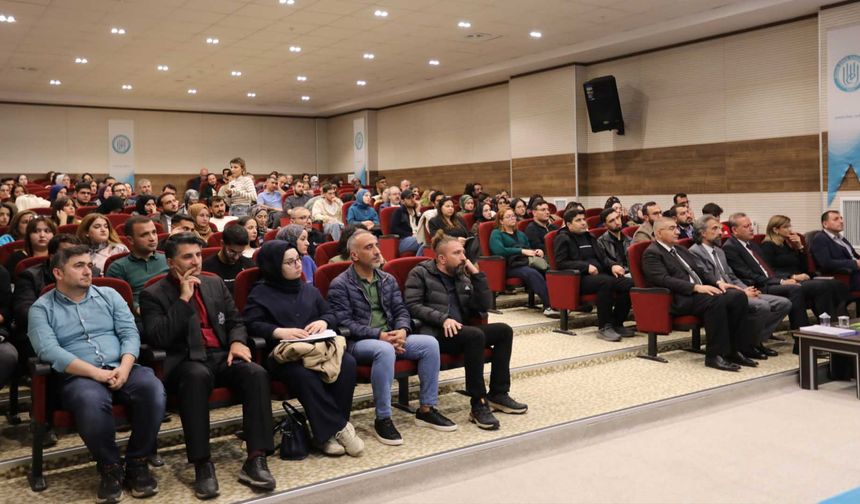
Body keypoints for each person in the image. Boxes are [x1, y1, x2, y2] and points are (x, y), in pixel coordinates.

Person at [139, 233, 275, 499]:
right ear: (171, 262)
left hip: (220, 355)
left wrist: (237, 342)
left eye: (199, 255)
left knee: (256, 373)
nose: (196, 261)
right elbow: (159, 338)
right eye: (187, 256)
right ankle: (202, 464)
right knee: (197, 376)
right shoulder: (152, 294)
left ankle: (256, 458)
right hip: (185, 361)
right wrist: (183, 298)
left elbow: (236, 320)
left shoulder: (214, 283)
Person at [28, 245, 166, 503]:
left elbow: (129, 333)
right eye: (78, 265)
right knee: (90, 401)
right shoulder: (41, 308)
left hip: (121, 365)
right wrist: (96, 374)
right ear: (58, 272)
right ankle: (110, 468)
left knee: (153, 389)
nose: (87, 270)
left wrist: (124, 367)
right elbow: (49, 350)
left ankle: (137, 462)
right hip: (78, 375)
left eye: (89, 265)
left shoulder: (110, 295)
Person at [328, 230, 454, 445]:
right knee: (384, 350)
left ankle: (426, 408)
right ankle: (383, 418)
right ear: (354, 255)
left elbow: (401, 311)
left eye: (377, 245)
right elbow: (344, 323)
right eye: (369, 247)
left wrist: (403, 330)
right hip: (357, 342)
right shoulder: (340, 284)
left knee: (429, 344)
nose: (377, 251)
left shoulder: (387, 279)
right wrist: (380, 335)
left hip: (389, 336)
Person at [243, 240, 365, 457]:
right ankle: (339, 428)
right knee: (304, 375)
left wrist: (324, 322)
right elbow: (252, 323)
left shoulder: (308, 289)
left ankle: (324, 435)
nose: (297, 265)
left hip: (316, 349)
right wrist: (278, 331)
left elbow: (329, 313)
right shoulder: (260, 292)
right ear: (274, 266)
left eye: (298, 260)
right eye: (289, 262)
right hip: (284, 356)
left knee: (347, 363)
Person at [406, 231, 527, 430]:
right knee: (475, 335)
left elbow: (483, 305)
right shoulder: (420, 273)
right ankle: (478, 403)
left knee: (504, 331)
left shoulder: (461, 275)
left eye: (463, 252)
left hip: (460, 331)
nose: (464, 257)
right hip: (434, 334)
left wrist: (477, 275)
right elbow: (412, 305)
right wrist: (442, 319)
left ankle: (498, 393)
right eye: (458, 253)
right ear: (442, 258)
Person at [642, 218, 753, 371]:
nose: (677, 231)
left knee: (737, 296)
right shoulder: (652, 253)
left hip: (699, 294)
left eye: (676, 228)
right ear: (659, 233)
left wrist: (718, 283)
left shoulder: (679, 249)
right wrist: (695, 287)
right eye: (672, 228)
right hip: (679, 298)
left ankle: (733, 350)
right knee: (716, 300)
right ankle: (714, 355)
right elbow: (662, 280)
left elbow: (700, 271)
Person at [689, 215, 790, 357]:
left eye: (719, 228)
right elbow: (707, 279)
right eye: (715, 228)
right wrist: (742, 292)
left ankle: (754, 342)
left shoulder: (719, 251)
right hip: (721, 294)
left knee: (783, 303)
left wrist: (745, 289)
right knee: (762, 306)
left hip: (736, 290)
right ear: (702, 233)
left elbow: (731, 276)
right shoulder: (694, 252)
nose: (720, 232)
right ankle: (748, 345)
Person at [723, 212, 839, 330]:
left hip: (772, 279)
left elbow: (767, 268)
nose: (751, 229)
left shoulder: (751, 244)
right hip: (759, 285)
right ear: (735, 230)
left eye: (751, 225)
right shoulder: (731, 247)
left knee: (824, 286)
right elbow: (748, 274)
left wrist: (784, 278)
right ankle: (800, 332)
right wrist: (782, 281)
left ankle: (829, 326)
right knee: (796, 288)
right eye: (746, 226)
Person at [554, 208, 634, 341]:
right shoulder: (562, 238)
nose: (583, 223)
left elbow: (602, 258)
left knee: (630, 283)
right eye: (578, 220)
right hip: (579, 279)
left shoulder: (589, 236)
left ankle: (617, 322)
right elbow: (561, 263)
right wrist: (586, 267)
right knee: (606, 282)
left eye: (583, 219)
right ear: (569, 224)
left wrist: (612, 265)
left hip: (598, 275)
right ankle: (604, 326)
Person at [760, 214, 850, 320]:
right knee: (821, 286)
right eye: (786, 227)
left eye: (790, 226)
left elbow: (804, 267)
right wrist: (792, 276)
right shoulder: (768, 246)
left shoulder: (787, 244)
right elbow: (768, 270)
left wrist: (800, 247)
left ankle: (833, 318)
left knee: (835, 284)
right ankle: (828, 320)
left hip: (800, 277)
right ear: (775, 229)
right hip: (786, 280)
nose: (790, 229)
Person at [489, 208, 558, 318]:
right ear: (501, 221)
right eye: (508, 217)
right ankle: (549, 306)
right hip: (509, 266)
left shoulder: (520, 234)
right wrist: (521, 251)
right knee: (532, 273)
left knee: (549, 271)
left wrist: (536, 251)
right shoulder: (496, 233)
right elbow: (499, 250)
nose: (512, 218)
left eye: (513, 216)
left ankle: (562, 303)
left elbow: (528, 248)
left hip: (526, 262)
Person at [13, 234, 81, 343]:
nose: (73, 258)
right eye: (67, 253)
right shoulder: (30, 276)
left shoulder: (89, 274)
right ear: (52, 257)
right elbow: (25, 312)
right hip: (41, 333)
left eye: (76, 253)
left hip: (80, 332)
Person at [106, 217, 168, 309]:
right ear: (130, 240)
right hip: (140, 314)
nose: (152, 238)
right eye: (144, 235)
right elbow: (119, 301)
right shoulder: (118, 267)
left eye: (154, 232)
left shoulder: (168, 259)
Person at [811, 210, 860, 290]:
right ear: (825, 224)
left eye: (841, 218)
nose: (841, 221)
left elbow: (854, 255)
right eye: (836, 219)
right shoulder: (820, 239)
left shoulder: (841, 238)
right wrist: (855, 263)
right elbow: (826, 263)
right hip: (846, 276)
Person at [201, 223, 255, 295]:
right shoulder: (206, 269)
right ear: (222, 244)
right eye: (232, 252)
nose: (236, 257)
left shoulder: (249, 266)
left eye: (240, 252)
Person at [596, 206, 631, 273]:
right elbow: (604, 262)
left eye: (617, 218)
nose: (617, 222)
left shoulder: (629, 240)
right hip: (616, 275)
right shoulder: (600, 242)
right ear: (605, 225)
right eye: (612, 221)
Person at [389, 188, 422, 255]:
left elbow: (420, 226)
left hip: (415, 238)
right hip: (403, 240)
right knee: (422, 240)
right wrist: (411, 235)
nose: (412, 200)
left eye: (413, 197)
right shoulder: (399, 211)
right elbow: (394, 228)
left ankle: (419, 260)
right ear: (403, 201)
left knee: (426, 242)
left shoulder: (416, 211)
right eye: (409, 198)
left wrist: (418, 212)